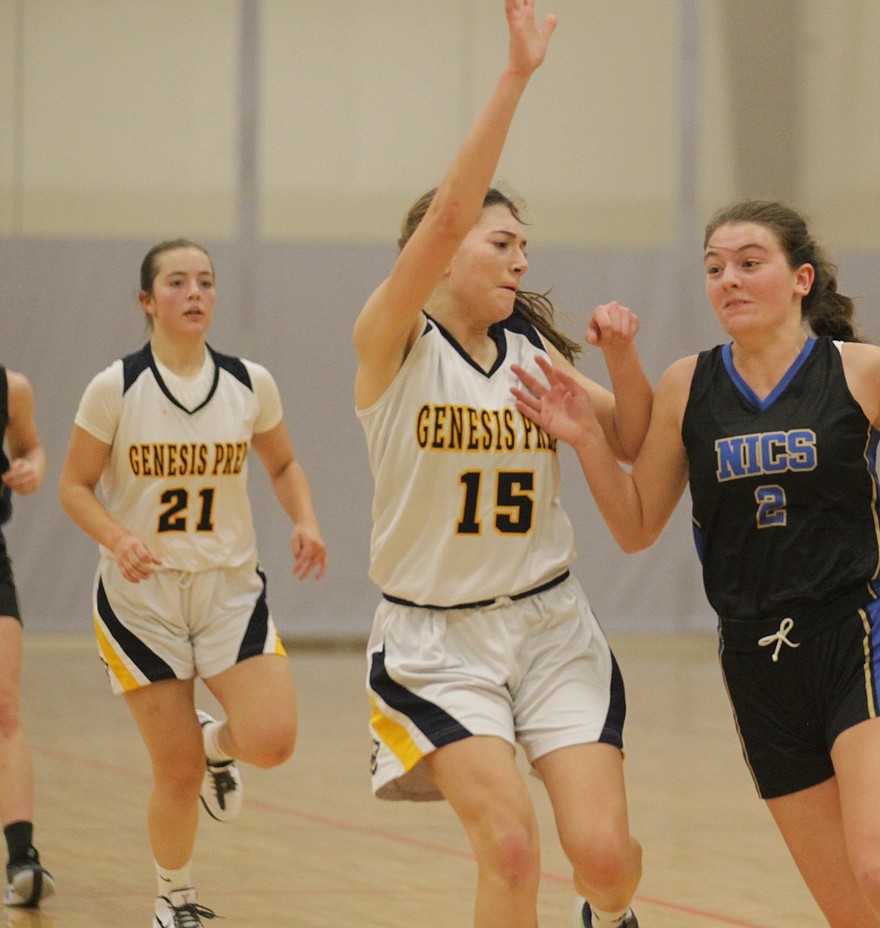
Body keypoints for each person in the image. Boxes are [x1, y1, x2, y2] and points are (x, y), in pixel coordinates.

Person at [511, 198, 880, 928]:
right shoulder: (687, 386)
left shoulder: (864, 373)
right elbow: (639, 526)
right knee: (854, 914)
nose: (729, 280)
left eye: (749, 263)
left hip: (859, 638)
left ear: (802, 279)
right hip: (757, 659)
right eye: (714, 269)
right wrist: (585, 441)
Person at [352, 4, 649, 927]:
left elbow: (634, 439)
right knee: (512, 848)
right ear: (437, 258)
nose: (521, 260)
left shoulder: (534, 356)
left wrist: (622, 362)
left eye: (525, 246)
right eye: (501, 242)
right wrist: (516, 76)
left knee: (606, 860)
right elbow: (446, 214)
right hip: (437, 642)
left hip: (551, 624)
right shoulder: (392, 343)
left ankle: (608, 910)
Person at [59, 238, 328, 928]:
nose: (195, 293)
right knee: (173, 772)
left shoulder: (248, 382)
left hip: (228, 589)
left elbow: (286, 461)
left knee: (271, 740)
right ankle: (173, 899)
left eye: (205, 281)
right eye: (177, 283)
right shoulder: (115, 387)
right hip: (141, 599)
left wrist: (306, 519)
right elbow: (74, 485)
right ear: (147, 302)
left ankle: (220, 748)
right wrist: (118, 538)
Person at [1, 366, 53, 909]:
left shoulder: (12, 387)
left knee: (5, 708)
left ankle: (22, 857)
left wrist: (30, 469)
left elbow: (31, 447)